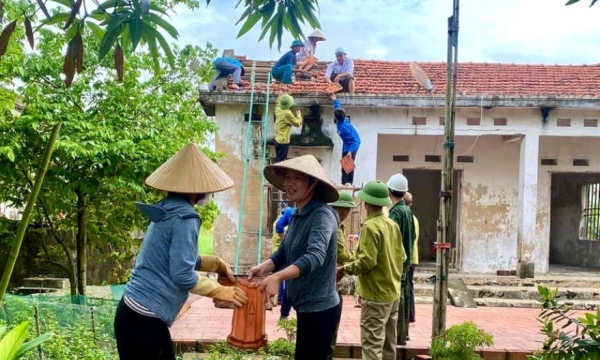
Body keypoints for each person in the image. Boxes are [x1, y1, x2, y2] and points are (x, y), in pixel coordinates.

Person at [114, 142, 248, 360]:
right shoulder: (186, 217)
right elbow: (181, 274)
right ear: (198, 189)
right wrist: (220, 291)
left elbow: (178, 259)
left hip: (134, 314)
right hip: (145, 318)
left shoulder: (167, 209)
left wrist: (215, 263)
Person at [248, 154, 341, 360]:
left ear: (313, 184)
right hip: (305, 307)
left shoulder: (322, 215)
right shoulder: (298, 214)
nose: (290, 183)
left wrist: (277, 277)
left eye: (298, 178)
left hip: (321, 309)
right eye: (288, 177)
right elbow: (283, 253)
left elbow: (315, 256)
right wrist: (264, 268)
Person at [336, 181, 405, 360]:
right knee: (388, 346)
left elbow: (366, 262)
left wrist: (344, 269)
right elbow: (403, 257)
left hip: (375, 295)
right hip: (393, 293)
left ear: (366, 204)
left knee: (372, 346)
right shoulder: (392, 225)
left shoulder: (370, 226)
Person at [328, 191, 359, 360]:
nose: (344, 213)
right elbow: (340, 253)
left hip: (334, 277)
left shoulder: (339, 225)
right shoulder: (332, 224)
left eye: (347, 210)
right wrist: (357, 258)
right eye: (341, 209)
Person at [386, 173, 415, 346]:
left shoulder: (396, 213)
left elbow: (392, 241)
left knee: (398, 300)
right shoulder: (408, 211)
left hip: (397, 263)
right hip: (405, 262)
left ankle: (398, 335)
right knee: (403, 297)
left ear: (390, 191)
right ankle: (402, 335)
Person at [330, 94, 361, 185]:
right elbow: (338, 107)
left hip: (353, 144)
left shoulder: (344, 128)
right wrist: (334, 99)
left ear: (336, 117)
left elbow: (354, 140)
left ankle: (348, 183)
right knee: (344, 164)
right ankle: (344, 182)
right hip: (347, 143)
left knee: (348, 163)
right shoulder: (343, 119)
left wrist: (350, 151)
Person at [272, 206, 296, 319]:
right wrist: (286, 241)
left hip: (285, 254)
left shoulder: (289, 212)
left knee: (288, 282)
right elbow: (279, 226)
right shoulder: (292, 212)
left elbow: (279, 226)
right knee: (288, 281)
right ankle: (284, 311)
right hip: (289, 254)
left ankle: (284, 313)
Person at [404, 192, 419, 324]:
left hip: (408, 257)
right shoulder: (413, 217)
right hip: (413, 257)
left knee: (407, 287)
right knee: (409, 286)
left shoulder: (406, 217)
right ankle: (410, 315)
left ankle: (409, 315)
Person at [274, 93, 302, 163]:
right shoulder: (287, 113)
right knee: (281, 162)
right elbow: (297, 123)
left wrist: (280, 96)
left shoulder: (278, 109)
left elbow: (278, 103)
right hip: (283, 141)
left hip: (277, 139)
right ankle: (279, 173)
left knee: (278, 159)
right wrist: (299, 116)